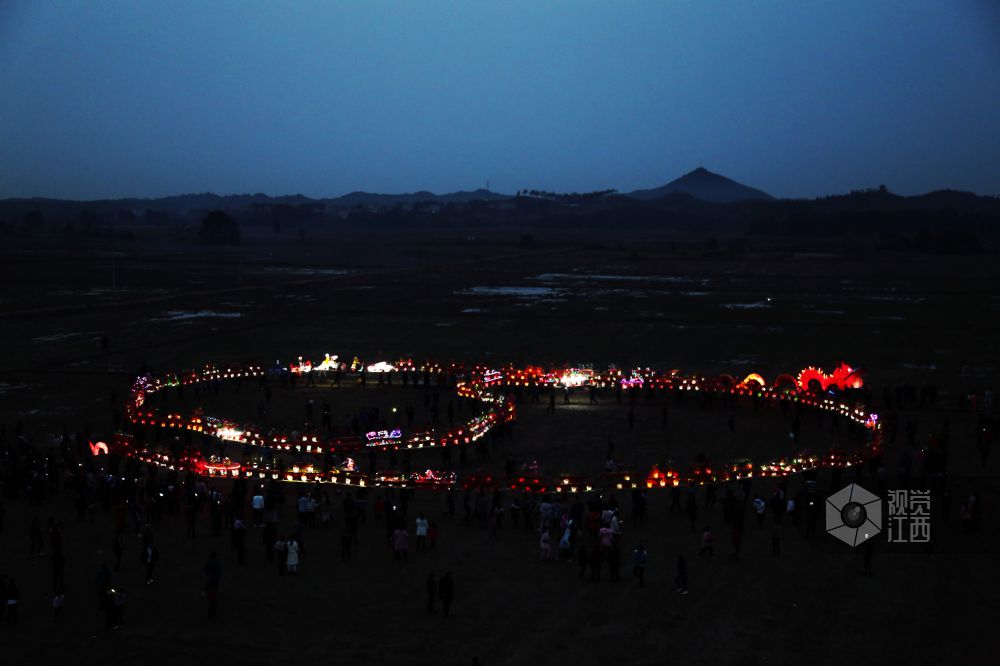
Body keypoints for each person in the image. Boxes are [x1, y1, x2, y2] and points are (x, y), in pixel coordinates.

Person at [204, 552, 221, 619]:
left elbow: (205, 570)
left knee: (210, 597)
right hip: (215, 582)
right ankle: (213, 613)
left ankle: (211, 613)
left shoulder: (209, 562)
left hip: (210, 582)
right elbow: (219, 572)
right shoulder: (217, 563)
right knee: (213, 597)